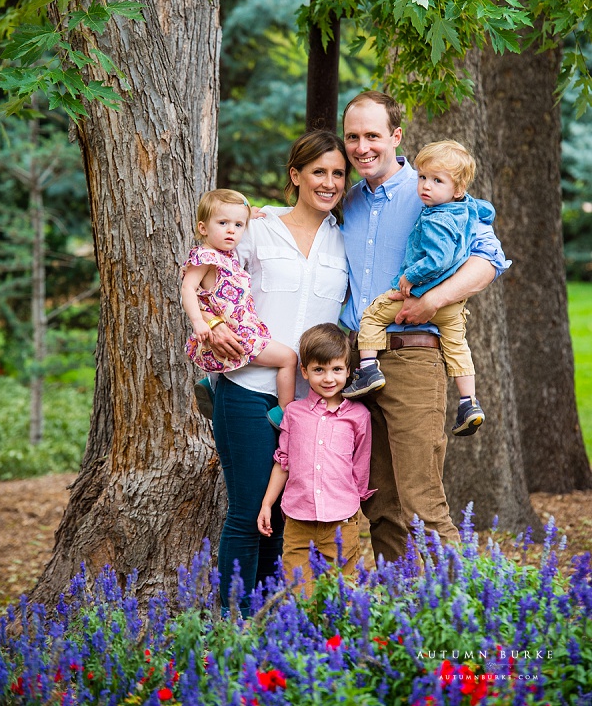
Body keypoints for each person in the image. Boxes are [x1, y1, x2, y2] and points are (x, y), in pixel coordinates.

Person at [340, 91, 511, 564]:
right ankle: (403, 610)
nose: (361, 147)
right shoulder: (346, 202)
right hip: (357, 365)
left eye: (373, 135)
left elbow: (490, 260)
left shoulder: (433, 190)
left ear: (396, 137)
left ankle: (465, 610)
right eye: (353, 136)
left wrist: (431, 300)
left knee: (421, 499)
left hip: (413, 359)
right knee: (378, 502)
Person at [194, 131, 351, 616]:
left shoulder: (341, 240)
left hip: (308, 403)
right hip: (247, 388)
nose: (328, 182)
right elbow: (207, 281)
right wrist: (212, 327)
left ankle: (267, 620)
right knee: (246, 512)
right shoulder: (257, 229)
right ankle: (233, 625)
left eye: (338, 173)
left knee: (283, 515)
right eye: (318, 171)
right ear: (295, 176)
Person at [343, 139, 493, 438]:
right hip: (450, 310)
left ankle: (369, 369)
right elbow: (483, 213)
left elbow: (445, 258)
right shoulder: (466, 209)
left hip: (418, 298)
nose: (424, 186)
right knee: (458, 347)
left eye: (436, 181)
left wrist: (412, 276)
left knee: (371, 316)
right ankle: (469, 401)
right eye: (423, 177)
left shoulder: (438, 217)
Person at [257, 323, 374, 596]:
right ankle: (304, 636)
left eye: (336, 369)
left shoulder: (358, 416)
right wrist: (267, 503)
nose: (328, 378)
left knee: (341, 592)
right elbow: (283, 462)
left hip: (341, 519)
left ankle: (337, 639)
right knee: (299, 594)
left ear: (348, 370)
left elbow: (360, 466)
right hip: (298, 520)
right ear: (305, 371)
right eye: (319, 370)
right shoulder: (294, 413)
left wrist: (353, 509)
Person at [181, 189, 298, 412]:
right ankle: (286, 413)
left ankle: (212, 385)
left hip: (240, 326)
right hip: (238, 333)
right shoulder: (206, 257)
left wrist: (247, 216)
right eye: (223, 223)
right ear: (203, 228)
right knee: (288, 358)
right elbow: (187, 288)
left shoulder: (226, 254)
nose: (231, 231)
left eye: (238, 225)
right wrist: (198, 322)